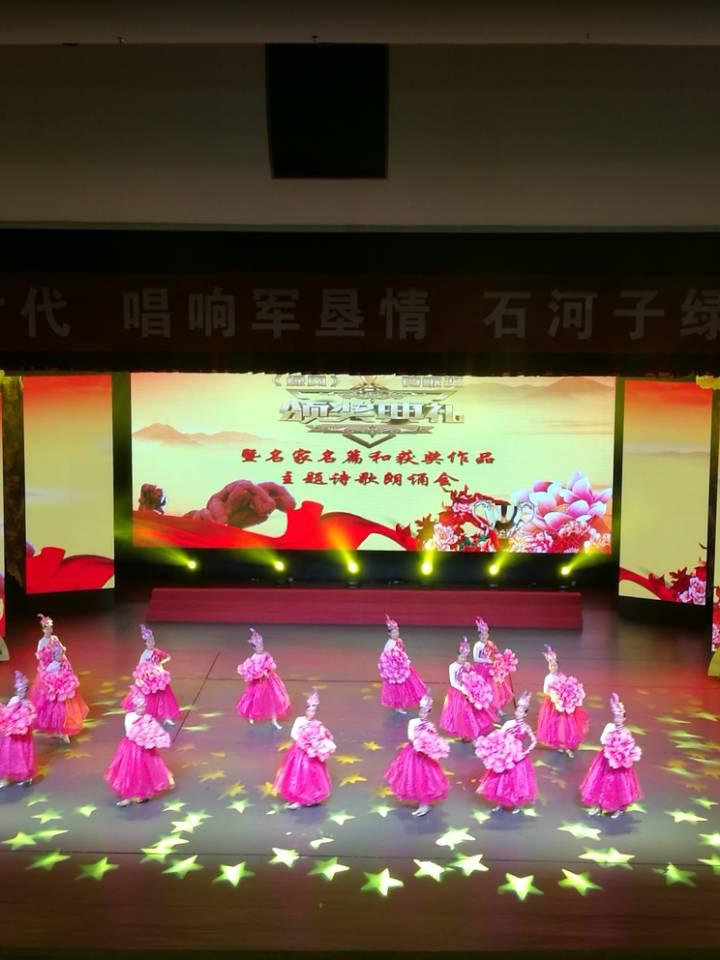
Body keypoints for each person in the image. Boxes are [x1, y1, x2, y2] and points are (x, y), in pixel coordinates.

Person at [384, 692, 450, 817]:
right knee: (413, 777)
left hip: (425, 755)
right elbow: (410, 736)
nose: (423, 714)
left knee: (425, 779)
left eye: (426, 712)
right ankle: (422, 804)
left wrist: (431, 746)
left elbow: (434, 738)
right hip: (413, 753)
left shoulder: (430, 725)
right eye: (422, 711)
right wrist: (419, 741)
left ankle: (424, 805)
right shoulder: (413, 722)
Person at [105, 693, 175, 807]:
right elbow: (130, 732)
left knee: (144, 771)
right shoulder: (130, 717)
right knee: (128, 771)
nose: (142, 709)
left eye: (143, 707)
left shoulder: (147, 717)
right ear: (134, 707)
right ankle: (127, 797)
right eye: (139, 707)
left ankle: (142, 793)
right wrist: (142, 735)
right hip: (131, 749)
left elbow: (153, 729)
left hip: (144, 750)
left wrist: (154, 737)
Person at [580, 692, 642, 818]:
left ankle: (619, 808)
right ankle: (598, 807)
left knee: (618, 784)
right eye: (616, 717)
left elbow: (629, 745)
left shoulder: (626, 731)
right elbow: (602, 739)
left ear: (624, 718)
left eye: (620, 717)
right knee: (600, 782)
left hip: (619, 763)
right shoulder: (609, 727)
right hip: (606, 758)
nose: (617, 719)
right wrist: (611, 745)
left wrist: (622, 752)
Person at [475, 690, 537, 813]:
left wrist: (525, 753)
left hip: (518, 757)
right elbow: (499, 735)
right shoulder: (509, 723)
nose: (518, 713)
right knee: (501, 779)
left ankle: (517, 804)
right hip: (505, 756)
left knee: (517, 781)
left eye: (521, 711)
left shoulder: (526, 727)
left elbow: (534, 741)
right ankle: (500, 803)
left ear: (525, 714)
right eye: (517, 710)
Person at [273, 689, 336, 809]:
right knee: (298, 775)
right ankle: (297, 799)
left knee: (313, 775)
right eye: (309, 710)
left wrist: (320, 745)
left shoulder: (317, 724)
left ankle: (311, 797)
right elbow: (294, 735)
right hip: (300, 752)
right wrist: (305, 745)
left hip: (312, 753)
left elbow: (323, 735)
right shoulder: (299, 721)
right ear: (305, 711)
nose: (311, 713)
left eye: (313, 711)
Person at [121, 624, 181, 726]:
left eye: (152, 641)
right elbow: (140, 667)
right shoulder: (145, 655)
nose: (151, 643)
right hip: (150, 680)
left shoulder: (156, 651)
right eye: (149, 642)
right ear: (145, 643)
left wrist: (160, 664)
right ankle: (146, 717)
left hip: (160, 677)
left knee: (165, 696)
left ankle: (167, 716)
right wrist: (145, 675)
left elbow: (167, 656)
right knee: (149, 698)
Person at [536, 644, 589, 757]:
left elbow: (565, 685)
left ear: (557, 666)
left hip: (562, 702)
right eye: (551, 665)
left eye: (555, 665)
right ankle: (557, 742)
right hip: (553, 703)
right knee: (555, 722)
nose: (553, 667)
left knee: (564, 722)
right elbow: (545, 690)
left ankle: (565, 740)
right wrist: (554, 695)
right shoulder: (548, 678)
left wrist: (566, 694)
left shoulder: (561, 676)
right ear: (548, 667)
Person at [440, 637, 496, 741]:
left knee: (469, 712)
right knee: (459, 711)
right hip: (457, 692)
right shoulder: (452, 666)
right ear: (457, 655)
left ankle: (470, 730)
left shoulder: (467, 665)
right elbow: (453, 682)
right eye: (461, 657)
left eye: (465, 657)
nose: (463, 659)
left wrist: (473, 687)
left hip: (468, 692)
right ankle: (460, 730)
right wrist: (463, 689)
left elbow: (472, 676)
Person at [236, 628, 290, 730]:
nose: (261, 648)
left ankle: (274, 720)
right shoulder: (253, 658)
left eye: (262, 645)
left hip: (269, 682)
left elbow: (272, 666)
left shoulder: (266, 655)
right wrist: (257, 674)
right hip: (259, 684)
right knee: (254, 700)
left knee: (274, 700)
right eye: (259, 646)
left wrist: (268, 671)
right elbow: (251, 671)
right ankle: (251, 716)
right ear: (254, 648)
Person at [33, 643, 88, 742]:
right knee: (57, 713)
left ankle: (64, 731)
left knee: (65, 711)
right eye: (58, 654)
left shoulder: (64, 664)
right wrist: (53, 685)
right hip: (55, 694)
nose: (60, 656)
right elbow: (46, 677)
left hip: (64, 692)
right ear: (54, 655)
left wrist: (69, 681)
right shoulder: (52, 666)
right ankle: (60, 731)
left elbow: (69, 673)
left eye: (61, 654)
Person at [378, 615, 427, 714]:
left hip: (404, 666)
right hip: (395, 671)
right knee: (398, 688)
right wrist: (393, 670)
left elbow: (403, 651)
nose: (396, 634)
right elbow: (386, 659)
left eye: (397, 632)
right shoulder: (389, 644)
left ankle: (418, 698)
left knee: (412, 683)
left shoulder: (400, 641)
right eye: (393, 632)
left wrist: (405, 660)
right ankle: (399, 706)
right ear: (389, 634)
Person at [0, 672, 37, 788]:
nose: (22, 693)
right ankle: (5, 778)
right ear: (16, 691)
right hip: (12, 735)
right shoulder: (14, 700)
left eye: (24, 690)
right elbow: (7, 714)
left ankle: (25, 776)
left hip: (23, 735)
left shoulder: (28, 703)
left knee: (23, 753)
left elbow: (31, 715)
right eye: (19, 690)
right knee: (9, 754)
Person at [31, 613, 66, 699]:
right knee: (50, 689)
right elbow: (39, 656)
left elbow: (62, 648)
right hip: (49, 668)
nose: (50, 630)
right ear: (43, 630)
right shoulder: (41, 642)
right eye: (47, 628)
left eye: (50, 627)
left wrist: (60, 653)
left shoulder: (55, 638)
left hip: (58, 664)